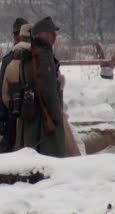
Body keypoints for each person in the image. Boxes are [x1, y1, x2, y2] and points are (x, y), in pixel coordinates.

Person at [10, 17, 67, 157]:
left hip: (30, 122)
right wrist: (58, 117)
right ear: (44, 34)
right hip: (43, 126)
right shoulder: (44, 55)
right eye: (52, 33)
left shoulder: (28, 55)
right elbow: (48, 90)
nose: (55, 36)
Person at [0, 17, 28, 152]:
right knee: (6, 152)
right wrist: (0, 119)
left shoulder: (36, 56)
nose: (17, 37)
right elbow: (0, 92)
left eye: (20, 34)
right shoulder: (8, 59)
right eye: (15, 34)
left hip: (31, 117)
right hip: (12, 115)